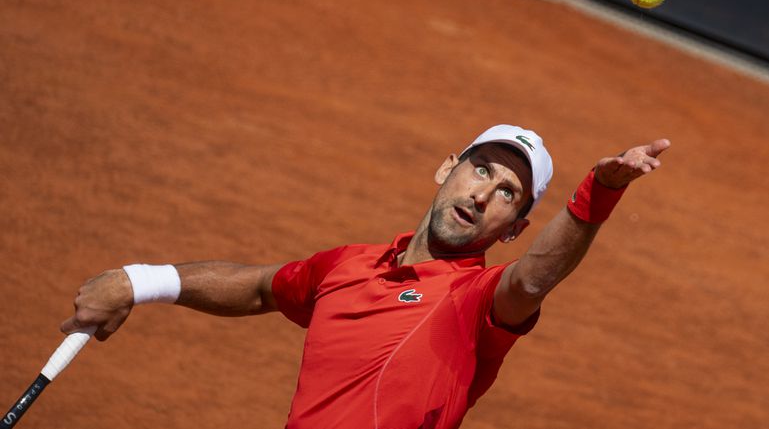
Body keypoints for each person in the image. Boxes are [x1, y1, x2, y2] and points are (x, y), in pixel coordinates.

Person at [61, 125, 670, 429]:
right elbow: (256, 288)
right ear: (445, 171)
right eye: (480, 170)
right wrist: (137, 281)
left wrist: (601, 190)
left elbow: (533, 282)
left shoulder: (475, 302)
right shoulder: (347, 266)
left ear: (514, 228)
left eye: (508, 193)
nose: (484, 194)